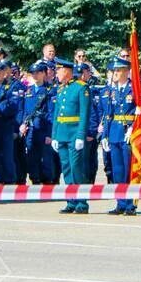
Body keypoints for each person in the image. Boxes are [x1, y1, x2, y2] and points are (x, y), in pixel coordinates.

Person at [98, 57, 139, 215]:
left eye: (117, 70)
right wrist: (105, 136)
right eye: (114, 70)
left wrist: (133, 128)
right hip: (114, 132)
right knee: (117, 171)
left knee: (129, 169)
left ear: (126, 71)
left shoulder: (134, 88)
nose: (114, 73)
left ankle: (130, 204)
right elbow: (108, 114)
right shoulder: (111, 90)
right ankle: (120, 202)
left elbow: (140, 112)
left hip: (128, 132)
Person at [53, 61, 91, 213]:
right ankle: (71, 201)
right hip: (62, 134)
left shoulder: (81, 88)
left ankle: (81, 203)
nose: (56, 74)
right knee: (66, 169)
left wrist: (81, 135)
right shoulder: (61, 89)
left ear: (66, 71)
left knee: (76, 168)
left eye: (59, 71)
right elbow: (57, 114)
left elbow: (84, 114)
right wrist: (54, 135)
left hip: (74, 135)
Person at [0, 60, 21, 183]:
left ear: (3, 73)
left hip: (5, 125)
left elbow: (12, 105)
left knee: (7, 156)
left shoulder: (12, 86)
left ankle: (10, 181)